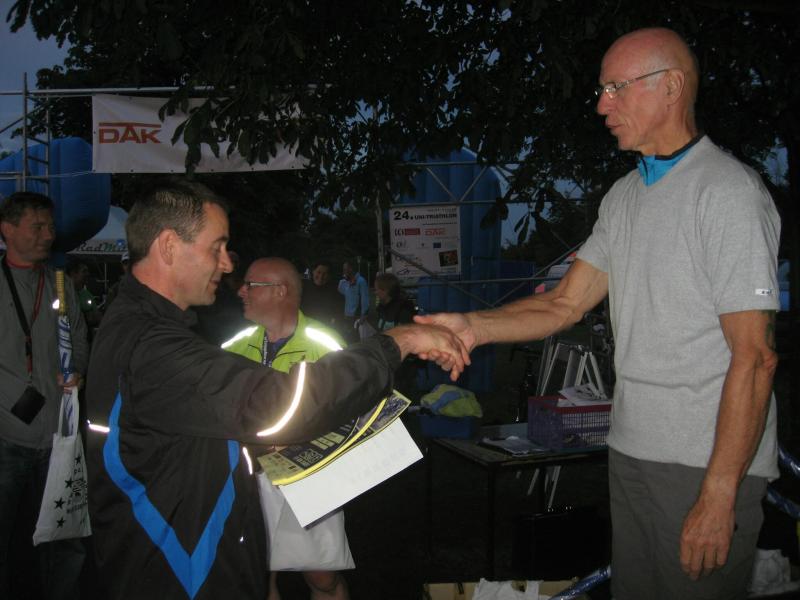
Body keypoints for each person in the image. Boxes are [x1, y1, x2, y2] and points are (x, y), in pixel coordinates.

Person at [418, 27, 780, 599]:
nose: (601, 105)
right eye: (601, 90)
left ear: (671, 87)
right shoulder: (624, 196)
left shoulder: (727, 192)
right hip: (631, 450)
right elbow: (564, 302)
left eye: (616, 88)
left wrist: (719, 492)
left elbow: (755, 358)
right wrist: (473, 327)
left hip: (702, 463)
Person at [84, 179, 468, 600]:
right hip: (179, 574)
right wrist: (398, 342)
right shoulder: (149, 346)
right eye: (217, 247)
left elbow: (185, 437)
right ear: (169, 246)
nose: (227, 265)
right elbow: (277, 405)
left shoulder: (145, 329)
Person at [225, 257, 351, 600]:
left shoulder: (325, 345)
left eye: (251, 285)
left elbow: (354, 414)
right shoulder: (235, 346)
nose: (241, 291)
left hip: (310, 478)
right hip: (249, 479)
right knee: (258, 578)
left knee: (322, 577)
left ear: (280, 291)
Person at [0, 191, 89, 600]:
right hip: (6, 437)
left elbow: (80, 338)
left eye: (50, 226)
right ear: (7, 229)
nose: (47, 235)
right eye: (36, 227)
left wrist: (77, 369)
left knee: (64, 536)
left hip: (58, 438)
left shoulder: (59, 283)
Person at [301, 260, 344, 334]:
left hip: (323, 332)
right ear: (313, 271)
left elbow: (337, 317)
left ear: (329, 276)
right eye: (318, 272)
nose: (321, 276)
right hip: (302, 329)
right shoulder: (302, 288)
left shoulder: (335, 294)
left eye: (325, 274)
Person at [337, 261, 369, 342]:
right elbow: (341, 293)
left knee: (356, 338)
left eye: (345, 269)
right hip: (346, 315)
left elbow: (365, 299)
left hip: (356, 316)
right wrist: (343, 281)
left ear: (351, 269)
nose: (344, 271)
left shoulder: (361, 281)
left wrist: (363, 314)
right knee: (348, 337)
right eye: (343, 269)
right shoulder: (346, 282)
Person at [66, 259, 102, 329]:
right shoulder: (62, 293)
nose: (87, 274)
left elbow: (97, 316)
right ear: (73, 274)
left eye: (87, 271)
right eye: (84, 271)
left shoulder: (87, 295)